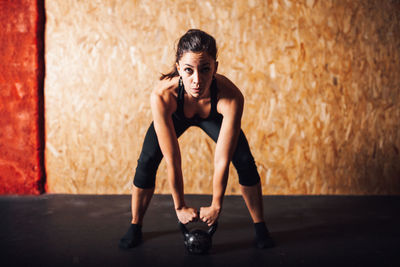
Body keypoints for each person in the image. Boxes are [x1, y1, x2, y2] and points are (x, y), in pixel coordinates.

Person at [119, 29, 274, 249]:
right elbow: (173, 158)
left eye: (205, 70)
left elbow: (221, 159)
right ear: (179, 67)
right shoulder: (162, 96)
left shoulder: (231, 97)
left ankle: (260, 227)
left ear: (216, 68)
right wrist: (179, 206)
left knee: (244, 160)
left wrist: (216, 205)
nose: (197, 80)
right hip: (176, 115)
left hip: (212, 116)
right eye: (189, 71)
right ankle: (135, 225)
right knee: (147, 160)